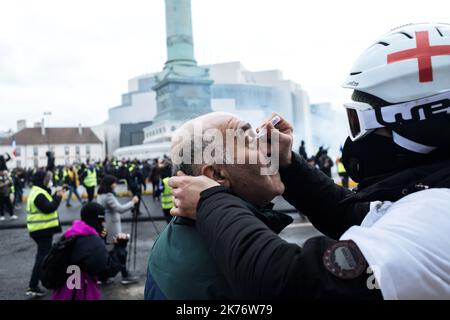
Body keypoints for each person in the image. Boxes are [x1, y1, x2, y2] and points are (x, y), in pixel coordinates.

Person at [168, 23, 450, 299]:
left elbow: (292, 283)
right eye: (247, 138)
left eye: (359, 120)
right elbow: (356, 216)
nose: (357, 137)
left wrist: (210, 202)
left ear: (421, 120)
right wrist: (288, 164)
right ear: (216, 172)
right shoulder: (432, 193)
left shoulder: (435, 219)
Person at [144, 112, 293, 300]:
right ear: (217, 175)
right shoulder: (228, 272)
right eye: (250, 141)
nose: (270, 147)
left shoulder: (184, 239)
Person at [52, 203, 126, 300]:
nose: (103, 224)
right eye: (102, 221)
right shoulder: (91, 241)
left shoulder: (70, 234)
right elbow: (107, 270)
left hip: (62, 294)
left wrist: (101, 239)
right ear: (97, 220)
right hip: (80, 294)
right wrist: (120, 247)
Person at [26, 171, 64, 297]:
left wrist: (56, 194)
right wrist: (58, 197)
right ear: (42, 180)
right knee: (42, 258)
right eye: (47, 179)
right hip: (42, 230)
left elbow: (47, 203)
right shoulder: (38, 194)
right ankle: (33, 285)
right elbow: (49, 208)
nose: (49, 181)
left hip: (41, 230)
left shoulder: (39, 191)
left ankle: (42, 281)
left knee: (44, 256)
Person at [96, 174, 139, 285]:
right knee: (120, 250)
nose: (115, 184)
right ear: (110, 184)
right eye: (114, 182)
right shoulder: (109, 196)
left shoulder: (100, 195)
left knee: (110, 251)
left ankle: (103, 276)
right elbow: (120, 209)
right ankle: (124, 276)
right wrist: (132, 202)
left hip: (106, 225)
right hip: (112, 227)